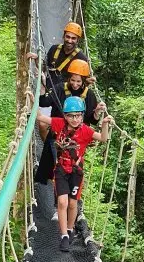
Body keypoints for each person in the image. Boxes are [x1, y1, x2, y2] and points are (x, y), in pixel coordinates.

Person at [37, 97, 112, 252]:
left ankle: (70, 230)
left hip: (76, 172)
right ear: (65, 116)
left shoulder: (85, 130)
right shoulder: (59, 123)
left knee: (72, 204)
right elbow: (40, 117)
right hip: (61, 170)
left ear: (82, 115)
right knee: (62, 202)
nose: (74, 119)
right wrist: (31, 100)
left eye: (78, 115)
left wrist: (104, 124)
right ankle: (64, 235)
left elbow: (103, 139)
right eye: (71, 116)